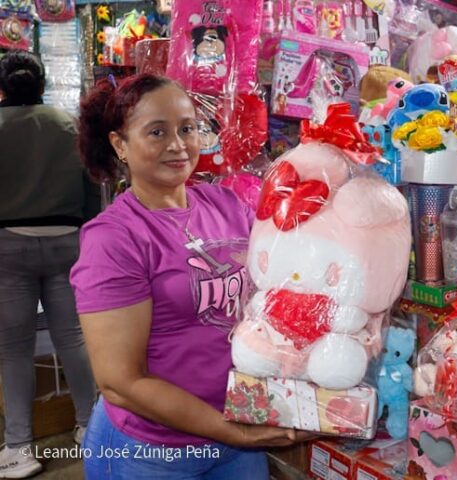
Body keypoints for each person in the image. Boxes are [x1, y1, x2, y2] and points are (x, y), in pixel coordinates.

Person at [70, 73, 312, 479]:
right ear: (120, 145)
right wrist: (234, 432)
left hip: (237, 434)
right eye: (157, 132)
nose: (178, 144)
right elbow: (120, 382)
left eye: (187, 128)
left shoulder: (225, 203)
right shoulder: (114, 238)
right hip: (151, 452)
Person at [0, 51, 99, 478]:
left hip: (7, 246)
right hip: (68, 243)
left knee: (14, 350)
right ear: (41, 85)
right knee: (73, 339)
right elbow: (92, 189)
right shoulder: (68, 124)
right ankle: (89, 428)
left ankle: (19, 448)